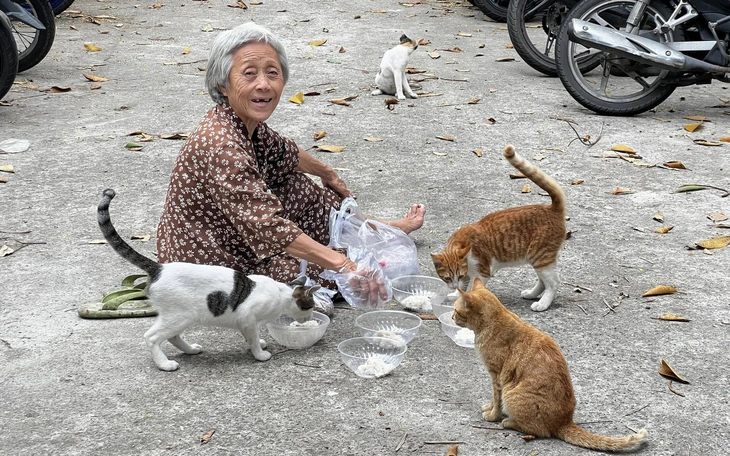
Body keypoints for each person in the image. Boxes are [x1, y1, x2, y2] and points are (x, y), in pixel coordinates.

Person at [156, 22, 425, 314]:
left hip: (237, 226)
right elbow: (268, 227)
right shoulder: (222, 146)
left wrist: (328, 174)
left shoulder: (241, 121)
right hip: (208, 255)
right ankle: (345, 249)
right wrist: (345, 265)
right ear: (224, 84)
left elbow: (285, 151)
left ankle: (376, 227)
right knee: (308, 283)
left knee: (296, 184)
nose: (263, 84)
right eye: (249, 74)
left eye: (272, 73)